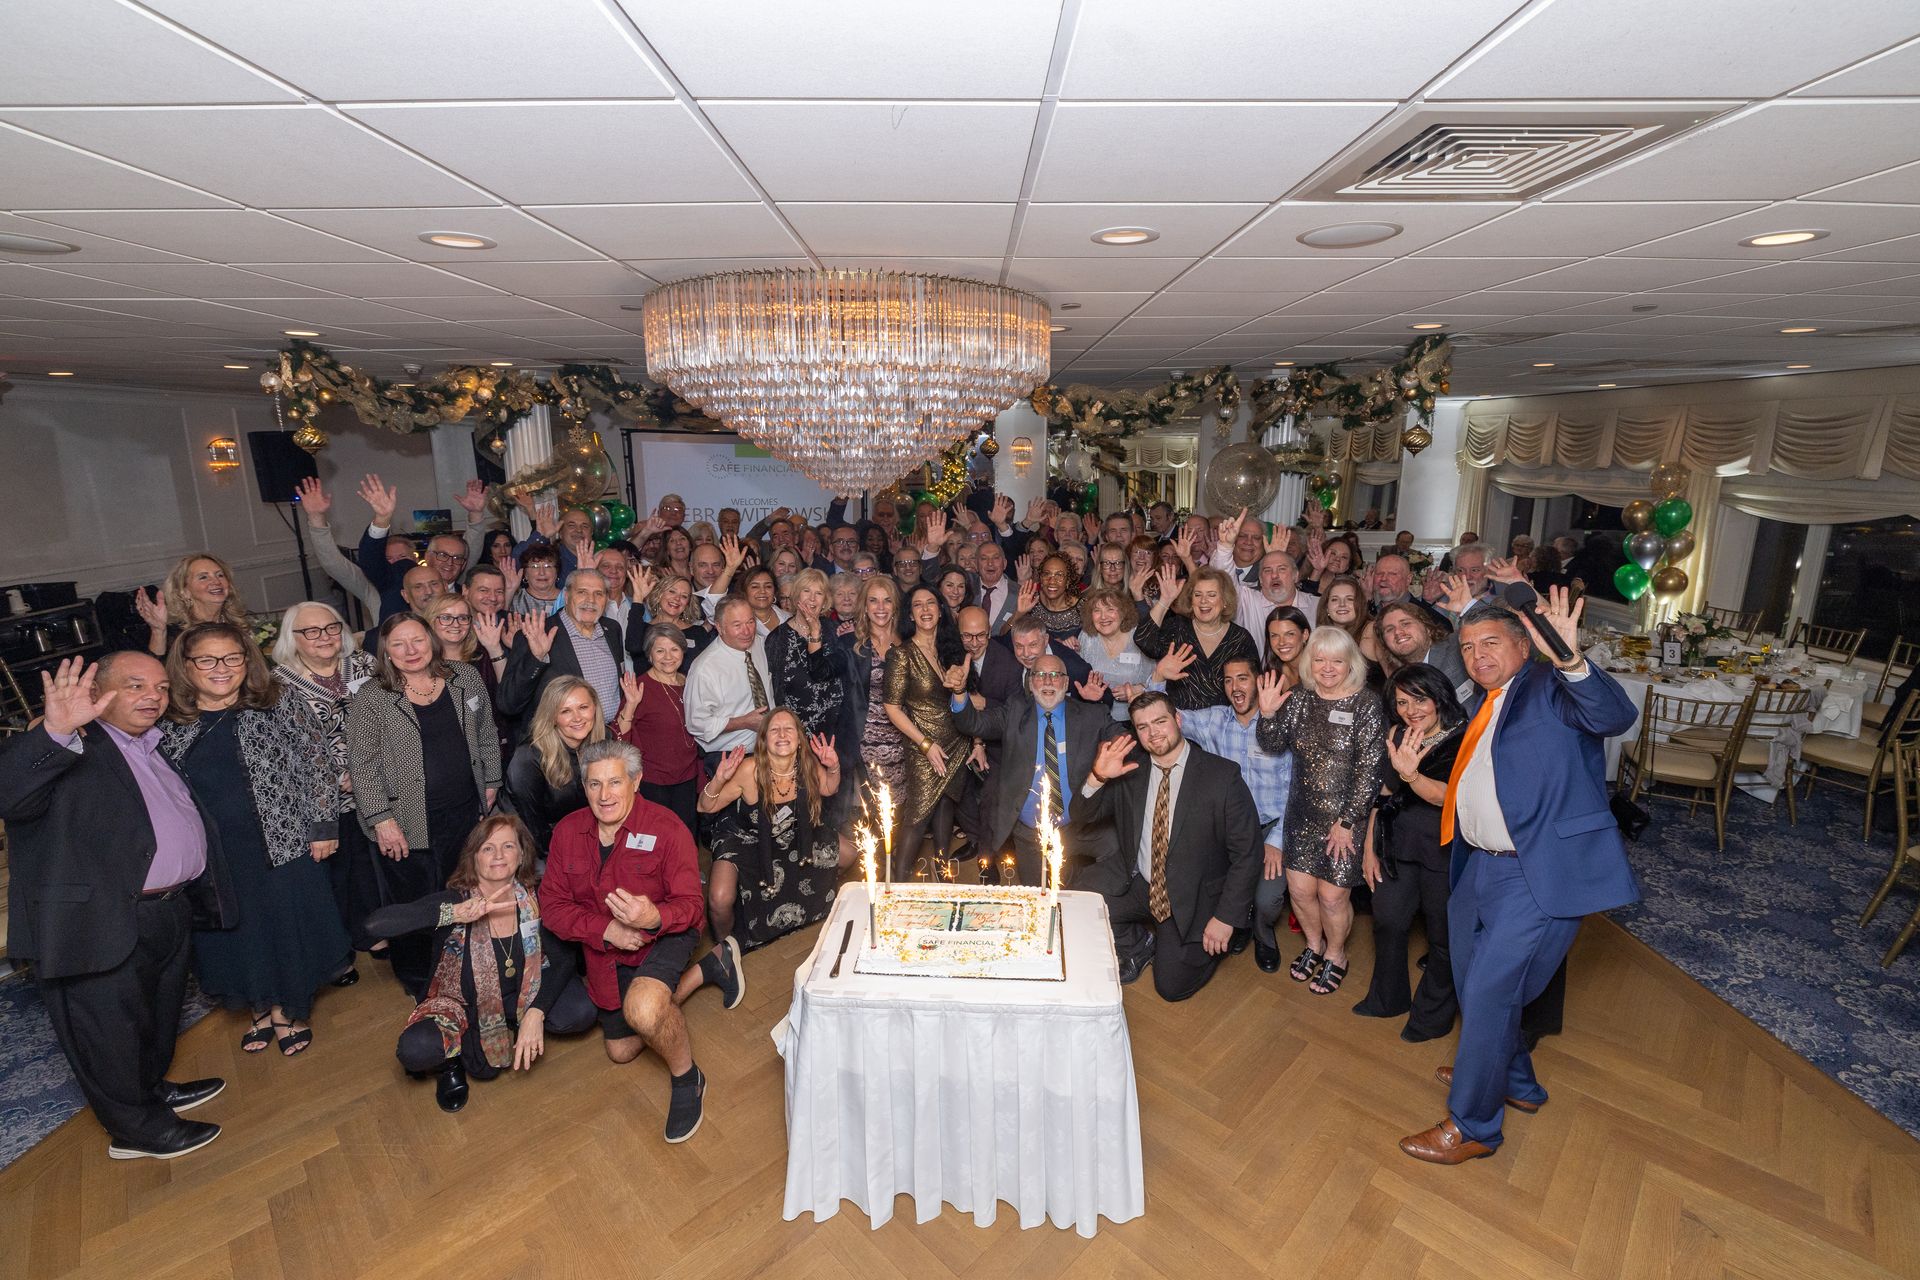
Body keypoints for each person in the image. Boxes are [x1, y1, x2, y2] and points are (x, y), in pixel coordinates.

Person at [1398, 591, 1639, 1166]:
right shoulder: (1486, 703)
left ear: (1524, 645)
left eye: (1491, 643)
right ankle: (1514, 1081)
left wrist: (1571, 659)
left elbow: (1614, 716)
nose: (1477, 655)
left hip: (1536, 871)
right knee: (1469, 975)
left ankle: (1474, 1125)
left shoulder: (1549, 686)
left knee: (1489, 991)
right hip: (1479, 862)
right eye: (1468, 646)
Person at [0, 655, 232, 1160]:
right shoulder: (71, 743)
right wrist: (57, 728)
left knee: (153, 1015)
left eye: (162, 686)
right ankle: (135, 1131)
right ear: (99, 692)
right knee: (105, 1031)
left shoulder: (149, 746)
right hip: (97, 918)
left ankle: (148, 1092)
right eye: (135, 685)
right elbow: (9, 793)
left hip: (164, 910)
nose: (153, 695)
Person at [159, 623, 348, 1057]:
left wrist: (323, 827)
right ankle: (258, 1006)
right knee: (238, 932)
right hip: (213, 854)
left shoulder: (278, 702)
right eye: (207, 659)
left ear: (248, 660)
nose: (221, 668)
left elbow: (316, 762)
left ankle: (287, 1011)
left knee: (283, 926)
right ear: (186, 667)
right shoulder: (170, 721)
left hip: (283, 842)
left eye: (232, 658)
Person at [541, 740, 732, 1144]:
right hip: (607, 949)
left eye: (615, 782)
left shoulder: (667, 829)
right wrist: (605, 929)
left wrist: (654, 917)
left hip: (667, 934)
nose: (604, 795)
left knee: (644, 1010)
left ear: (636, 781)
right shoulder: (567, 832)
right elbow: (552, 907)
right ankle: (710, 968)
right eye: (594, 785)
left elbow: (691, 908)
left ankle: (688, 1078)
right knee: (623, 1049)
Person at [369, 814, 598, 1112]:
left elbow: (564, 957)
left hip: (524, 991)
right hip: (464, 1004)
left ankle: (520, 1022)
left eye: (508, 846)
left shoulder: (538, 897)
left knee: (580, 1012)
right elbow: (375, 926)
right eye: (488, 848)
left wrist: (536, 1013)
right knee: (417, 1050)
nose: (499, 856)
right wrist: (453, 914)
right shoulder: (455, 901)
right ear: (473, 858)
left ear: (521, 855)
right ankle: (451, 1063)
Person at [346, 613, 502, 999]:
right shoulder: (373, 696)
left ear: (431, 640)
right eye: (398, 644)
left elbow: (485, 733)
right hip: (405, 822)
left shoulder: (463, 677)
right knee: (415, 906)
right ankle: (420, 982)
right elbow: (361, 764)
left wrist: (492, 782)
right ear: (385, 651)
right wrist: (381, 820)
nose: (410, 651)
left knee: (462, 896)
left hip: (464, 813)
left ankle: (465, 970)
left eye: (417, 640)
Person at [1075, 692, 1262, 998]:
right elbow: (1082, 817)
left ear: (1177, 720)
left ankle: (1187, 942)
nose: (1153, 733)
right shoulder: (1130, 769)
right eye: (1143, 727)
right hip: (1142, 883)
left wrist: (1226, 918)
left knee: (1171, 988)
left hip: (1193, 894)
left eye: (1160, 721)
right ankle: (1141, 944)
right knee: (1079, 903)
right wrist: (1098, 777)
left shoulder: (1221, 776)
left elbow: (1248, 854)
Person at [1254, 626, 1389, 997]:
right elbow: (1271, 744)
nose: (1328, 667)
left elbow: (1370, 769)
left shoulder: (1366, 704)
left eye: (1337, 660)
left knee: (1332, 897)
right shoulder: (1299, 698)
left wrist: (1347, 821)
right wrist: (1266, 715)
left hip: (1345, 819)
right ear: (1309, 662)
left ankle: (1336, 953)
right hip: (1301, 814)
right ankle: (1314, 945)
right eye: (1320, 659)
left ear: (1351, 663)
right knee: (1299, 891)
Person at [1353, 664, 1467, 1041]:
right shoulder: (1398, 733)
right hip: (1396, 843)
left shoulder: (1464, 736)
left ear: (1438, 696)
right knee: (1387, 920)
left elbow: (1445, 797)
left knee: (1443, 937)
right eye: (1402, 701)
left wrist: (1411, 774)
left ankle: (1430, 1018)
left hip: (1442, 850)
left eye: (1419, 698)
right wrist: (1369, 848)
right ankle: (1388, 998)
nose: (1411, 708)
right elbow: (1382, 795)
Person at [947, 652, 1122, 885]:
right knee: (1036, 896)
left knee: (1112, 857)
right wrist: (960, 693)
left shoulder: (1092, 715)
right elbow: (973, 723)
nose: (1048, 681)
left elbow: (1125, 740)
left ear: (1066, 683)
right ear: (1030, 683)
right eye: (1040, 675)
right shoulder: (1015, 711)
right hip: (1030, 833)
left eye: (1054, 675)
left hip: (1079, 826)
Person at [270, 601, 381, 966]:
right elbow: (282, 751)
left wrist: (369, 772)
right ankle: (337, 951)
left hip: (379, 787)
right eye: (311, 631)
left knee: (374, 866)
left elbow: (392, 717)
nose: (324, 637)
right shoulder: (278, 684)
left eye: (331, 627)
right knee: (336, 875)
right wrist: (337, 780)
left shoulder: (366, 664)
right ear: (293, 638)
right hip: (323, 802)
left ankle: (375, 932)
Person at [1181, 658, 1294, 972]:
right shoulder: (1214, 720)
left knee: (1268, 899)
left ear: (1258, 682)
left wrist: (1276, 840)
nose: (1235, 688)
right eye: (1229, 681)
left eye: (1242, 679)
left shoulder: (1281, 725)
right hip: (1229, 827)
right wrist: (1158, 678)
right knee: (1213, 878)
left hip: (1272, 824)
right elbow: (1166, 718)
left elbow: (1297, 790)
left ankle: (1263, 930)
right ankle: (1239, 922)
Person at [696, 709, 844, 947]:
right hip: (744, 836)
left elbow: (828, 788)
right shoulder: (749, 770)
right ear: (763, 740)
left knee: (850, 854)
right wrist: (719, 779)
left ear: (799, 739)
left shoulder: (806, 764)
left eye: (789, 729)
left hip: (790, 831)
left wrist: (833, 766)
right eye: (774, 729)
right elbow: (705, 806)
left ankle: (811, 901)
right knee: (719, 899)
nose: (782, 734)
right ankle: (725, 953)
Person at [884, 587, 974, 878]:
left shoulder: (950, 650)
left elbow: (964, 698)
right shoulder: (901, 655)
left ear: (940, 609)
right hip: (924, 747)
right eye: (918, 605)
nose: (925, 609)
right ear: (910, 614)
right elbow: (892, 707)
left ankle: (941, 869)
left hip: (955, 742)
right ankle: (895, 884)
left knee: (947, 804)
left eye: (931, 603)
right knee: (917, 816)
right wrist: (925, 744)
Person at [497, 569, 626, 732]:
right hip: (557, 746)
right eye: (582, 592)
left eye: (599, 594)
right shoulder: (537, 633)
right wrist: (537, 657)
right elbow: (508, 703)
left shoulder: (612, 630)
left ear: (606, 600)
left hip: (608, 737)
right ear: (566, 596)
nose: (591, 600)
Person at [614, 626, 706, 834]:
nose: (668, 657)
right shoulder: (639, 688)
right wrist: (630, 704)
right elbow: (619, 737)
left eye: (674, 649)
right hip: (654, 781)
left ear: (683, 651)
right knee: (657, 835)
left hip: (688, 775)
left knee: (686, 834)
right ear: (649, 655)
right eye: (660, 650)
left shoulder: (690, 682)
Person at [1134, 564, 1258, 711]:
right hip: (1179, 725)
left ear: (1225, 601)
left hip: (1224, 728)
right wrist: (1165, 600)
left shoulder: (1240, 639)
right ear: (1191, 601)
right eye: (1197, 595)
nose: (1203, 601)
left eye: (1211, 595)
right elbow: (1143, 639)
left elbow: (1253, 688)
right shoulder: (1177, 627)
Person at [503, 676, 606, 850]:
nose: (577, 718)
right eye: (565, 711)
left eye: (583, 707)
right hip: (536, 845)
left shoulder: (604, 742)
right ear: (552, 716)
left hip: (586, 838)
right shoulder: (528, 758)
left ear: (594, 708)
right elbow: (533, 827)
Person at [683, 597, 773, 761]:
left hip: (765, 749)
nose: (747, 631)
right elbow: (697, 723)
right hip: (727, 756)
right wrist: (743, 722)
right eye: (737, 625)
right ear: (719, 627)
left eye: (750, 622)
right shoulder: (705, 668)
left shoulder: (759, 644)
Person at [1078, 586, 1186, 721]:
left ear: (1123, 613)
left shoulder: (1139, 637)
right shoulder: (1086, 637)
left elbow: (1159, 679)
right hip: (1096, 718)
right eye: (1097, 611)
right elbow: (1079, 679)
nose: (1103, 617)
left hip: (1138, 717)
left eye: (1110, 609)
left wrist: (1138, 689)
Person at [764, 567, 847, 744]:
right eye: (806, 591)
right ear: (795, 596)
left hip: (836, 729)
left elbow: (829, 672)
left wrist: (816, 632)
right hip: (796, 733)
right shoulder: (777, 639)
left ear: (825, 600)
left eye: (819, 593)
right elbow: (774, 690)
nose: (812, 598)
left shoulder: (835, 630)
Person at [135, 553, 249, 658]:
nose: (216, 581)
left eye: (220, 575)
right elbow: (157, 671)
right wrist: (158, 631)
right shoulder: (173, 632)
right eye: (203, 577)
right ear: (184, 591)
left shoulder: (240, 622)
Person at [1377, 598, 1474, 704]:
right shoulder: (1400, 683)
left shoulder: (1457, 644)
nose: (1398, 632)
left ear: (1427, 628)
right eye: (1389, 629)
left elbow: (1490, 628)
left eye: (1405, 624)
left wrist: (1470, 606)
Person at [1263, 605, 1312, 694]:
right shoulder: (1273, 674)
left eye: (1289, 634)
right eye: (1274, 636)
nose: (1281, 642)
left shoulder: (1320, 671)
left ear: (1305, 635)